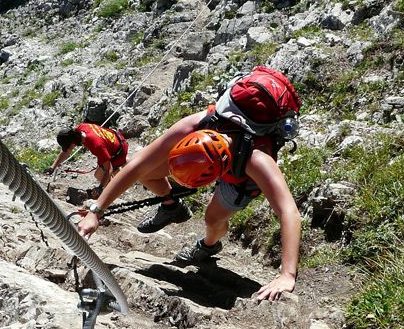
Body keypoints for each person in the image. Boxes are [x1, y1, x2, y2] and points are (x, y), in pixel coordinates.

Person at [77, 110, 301, 302]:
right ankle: (171, 205)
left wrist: (287, 274)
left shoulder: (257, 161)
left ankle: (209, 245)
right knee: (142, 165)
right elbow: (136, 166)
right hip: (213, 152)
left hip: (241, 177)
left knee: (213, 220)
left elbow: (288, 211)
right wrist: (96, 211)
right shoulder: (194, 124)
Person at [47, 123, 129, 198]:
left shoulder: (95, 145)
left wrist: (100, 188)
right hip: (115, 140)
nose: (68, 149)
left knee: (99, 175)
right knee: (103, 172)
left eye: (68, 146)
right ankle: (120, 170)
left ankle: (112, 192)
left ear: (73, 142)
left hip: (119, 152)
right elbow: (66, 152)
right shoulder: (81, 128)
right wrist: (52, 167)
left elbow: (108, 169)